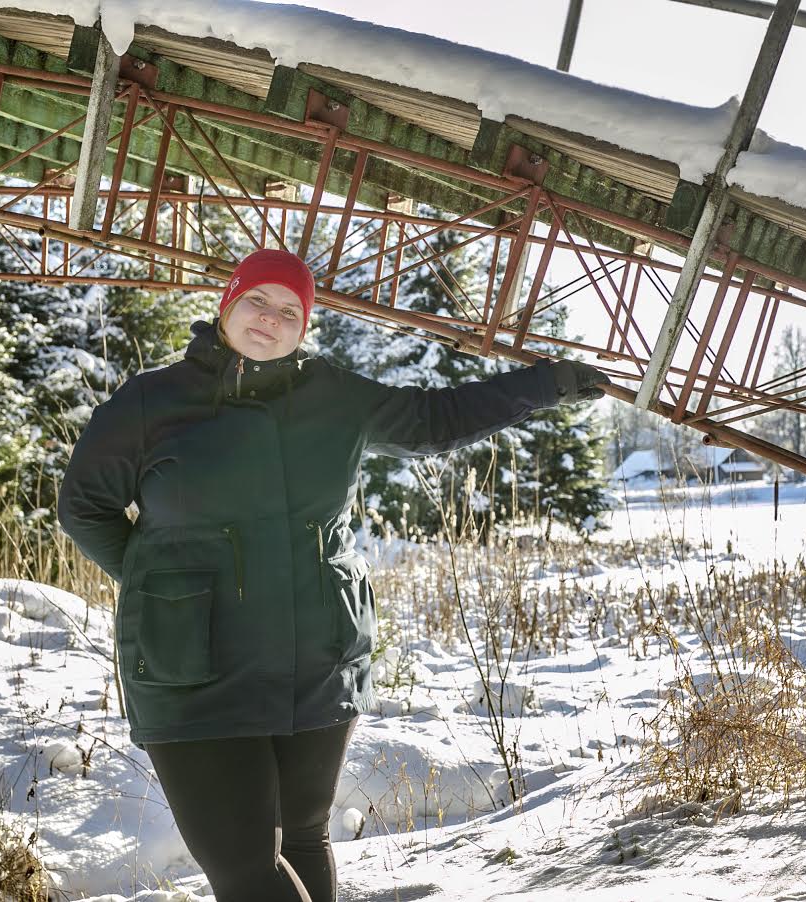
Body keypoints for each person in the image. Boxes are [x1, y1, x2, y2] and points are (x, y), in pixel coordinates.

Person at [57, 248, 610, 902]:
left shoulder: (332, 396)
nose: (270, 319)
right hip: (192, 670)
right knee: (245, 871)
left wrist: (542, 385)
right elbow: (83, 506)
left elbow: (435, 421)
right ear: (226, 305)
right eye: (257, 301)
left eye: (289, 310)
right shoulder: (151, 401)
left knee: (302, 837)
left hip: (315, 656)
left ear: (305, 324)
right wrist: (167, 591)